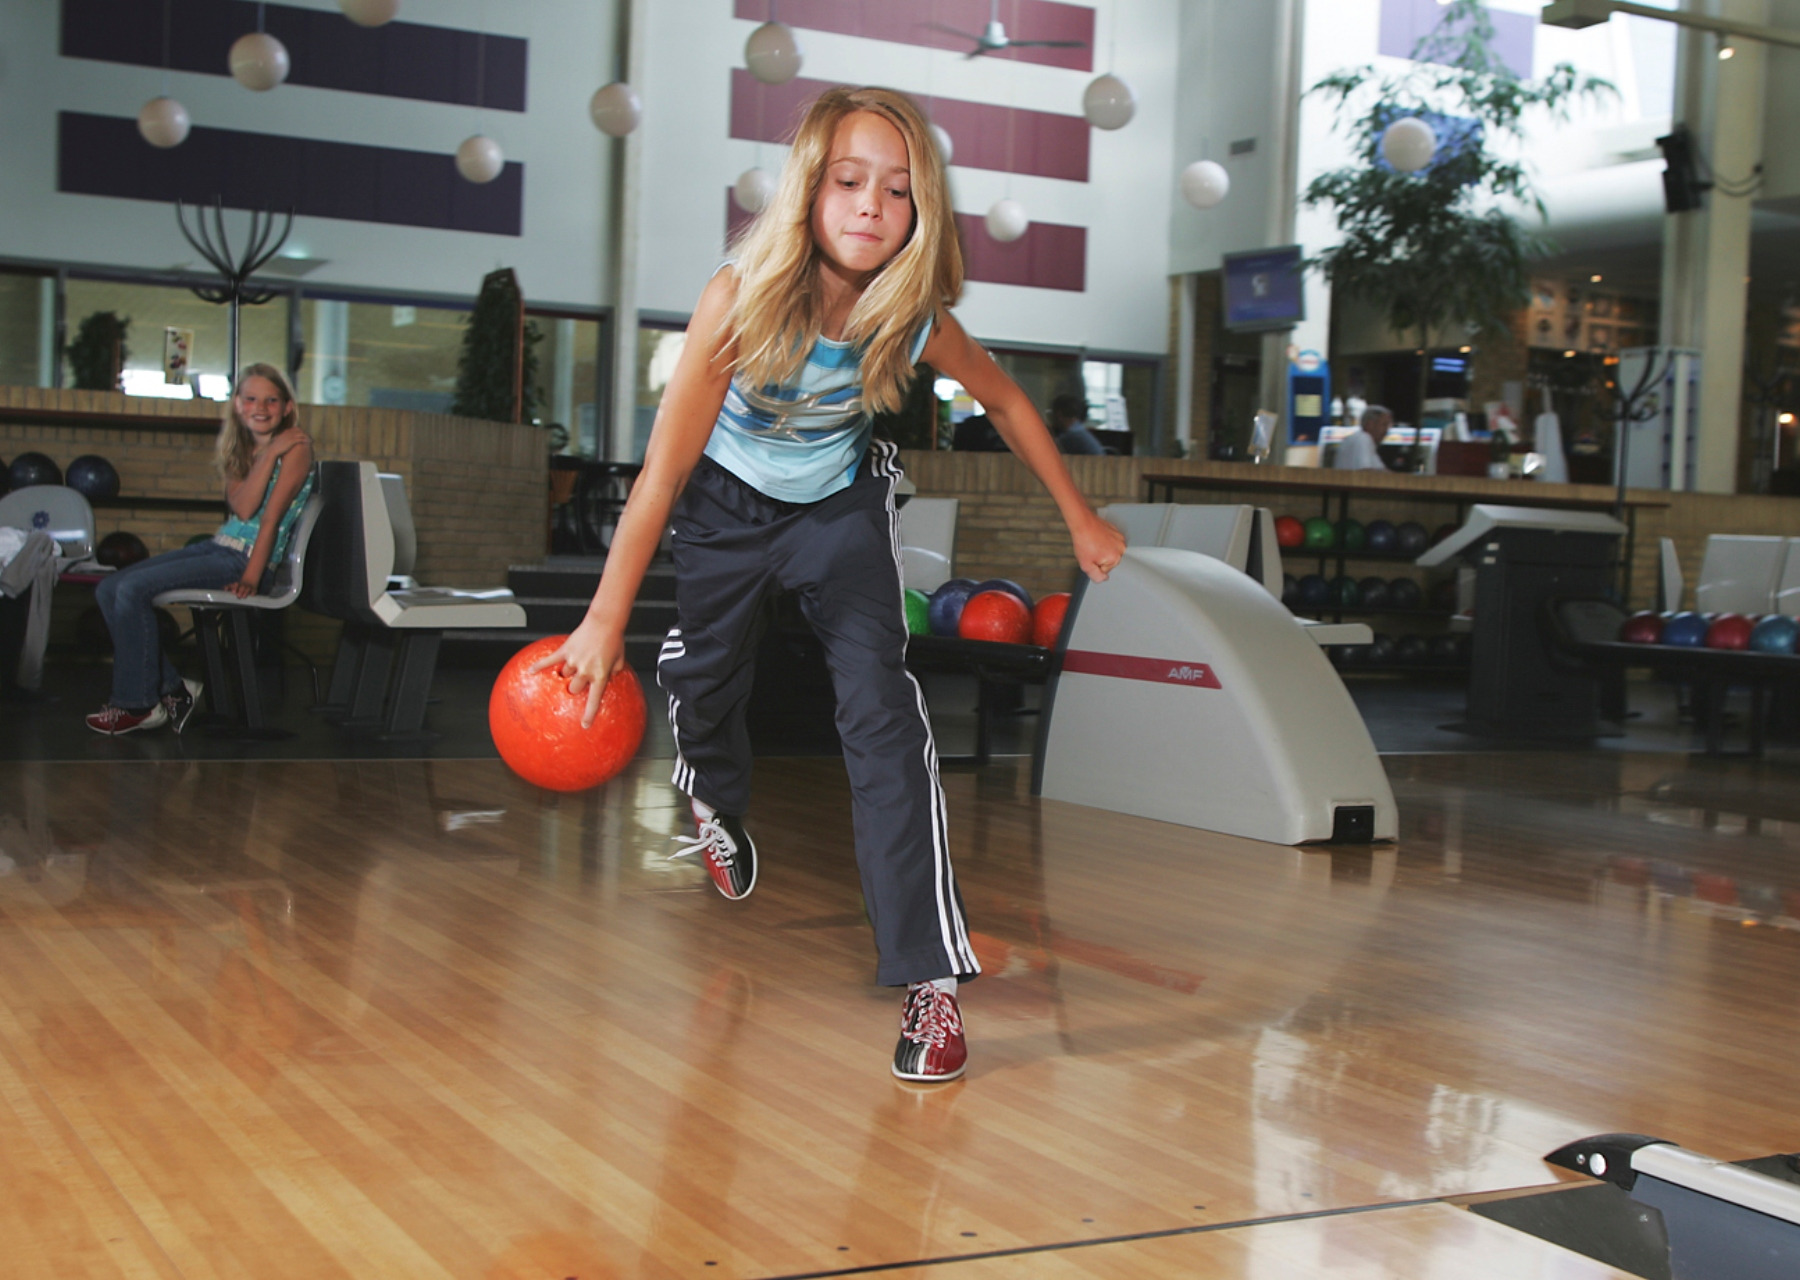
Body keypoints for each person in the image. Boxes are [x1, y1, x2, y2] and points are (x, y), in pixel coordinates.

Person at [537, 86, 1125, 1083]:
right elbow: (664, 475)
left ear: (921, 209)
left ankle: (932, 984)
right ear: (810, 189)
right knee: (707, 678)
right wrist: (601, 620)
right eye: (849, 181)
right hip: (722, 507)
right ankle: (714, 797)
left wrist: (1079, 514)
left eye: (896, 190)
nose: (870, 205)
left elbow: (1009, 397)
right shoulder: (739, 297)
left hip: (839, 511)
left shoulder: (911, 314)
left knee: (885, 719)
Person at [86, 364, 315, 735]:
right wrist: (268, 453)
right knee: (108, 588)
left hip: (246, 560)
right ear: (238, 406)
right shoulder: (244, 448)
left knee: (131, 590)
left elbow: (267, 520)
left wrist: (251, 578)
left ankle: (139, 704)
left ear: (287, 406)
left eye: (272, 400)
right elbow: (242, 506)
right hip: (221, 547)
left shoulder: (297, 449)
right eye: (251, 399)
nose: (261, 407)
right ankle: (173, 689)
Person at [1332, 403, 1393, 471]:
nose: (1386, 430)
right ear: (1370, 424)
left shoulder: (1359, 440)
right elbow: (1365, 472)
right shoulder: (1363, 438)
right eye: (1384, 425)